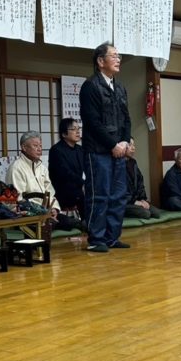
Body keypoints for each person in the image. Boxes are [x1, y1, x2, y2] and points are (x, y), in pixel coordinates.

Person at [79, 42, 131, 252]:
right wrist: (113, 144)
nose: (118, 59)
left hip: (119, 150)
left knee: (118, 196)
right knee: (99, 195)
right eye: (114, 56)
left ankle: (112, 237)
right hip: (98, 151)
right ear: (101, 61)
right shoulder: (90, 86)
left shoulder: (120, 87)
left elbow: (127, 118)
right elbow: (92, 122)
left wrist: (125, 142)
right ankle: (96, 239)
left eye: (119, 56)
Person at [6, 131, 81, 230]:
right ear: (24, 147)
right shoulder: (16, 168)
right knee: (63, 224)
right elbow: (17, 199)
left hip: (46, 213)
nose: (39, 149)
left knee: (75, 223)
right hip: (27, 216)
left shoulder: (42, 168)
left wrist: (54, 209)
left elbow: (50, 192)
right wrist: (40, 212)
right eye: (35, 146)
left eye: (40, 146)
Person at [47, 118, 85, 216]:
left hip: (78, 189)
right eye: (73, 129)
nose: (78, 131)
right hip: (63, 191)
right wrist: (83, 183)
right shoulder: (56, 150)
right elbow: (65, 173)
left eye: (78, 128)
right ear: (64, 134)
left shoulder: (80, 149)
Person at [124, 141, 161, 219]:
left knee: (156, 213)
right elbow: (119, 190)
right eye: (130, 145)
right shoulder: (117, 164)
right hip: (124, 202)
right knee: (146, 214)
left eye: (134, 145)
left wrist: (142, 199)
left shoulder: (133, 162)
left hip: (136, 200)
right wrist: (134, 201)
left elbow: (140, 183)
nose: (133, 148)